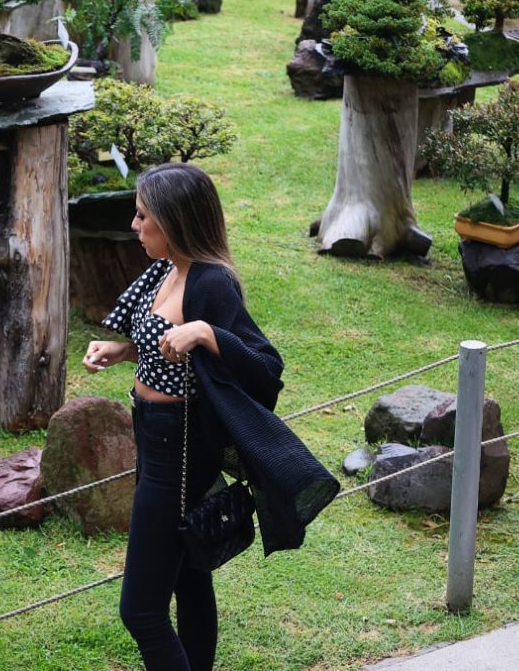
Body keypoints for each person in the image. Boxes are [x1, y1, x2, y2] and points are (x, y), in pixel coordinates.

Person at [84, 162, 336, 670]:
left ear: (175, 222)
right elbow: (165, 341)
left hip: (177, 449)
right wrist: (123, 349)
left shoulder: (212, 283)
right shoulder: (166, 267)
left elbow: (265, 366)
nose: (134, 227)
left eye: (142, 217)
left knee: (141, 611)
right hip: (153, 437)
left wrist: (207, 333)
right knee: (188, 575)